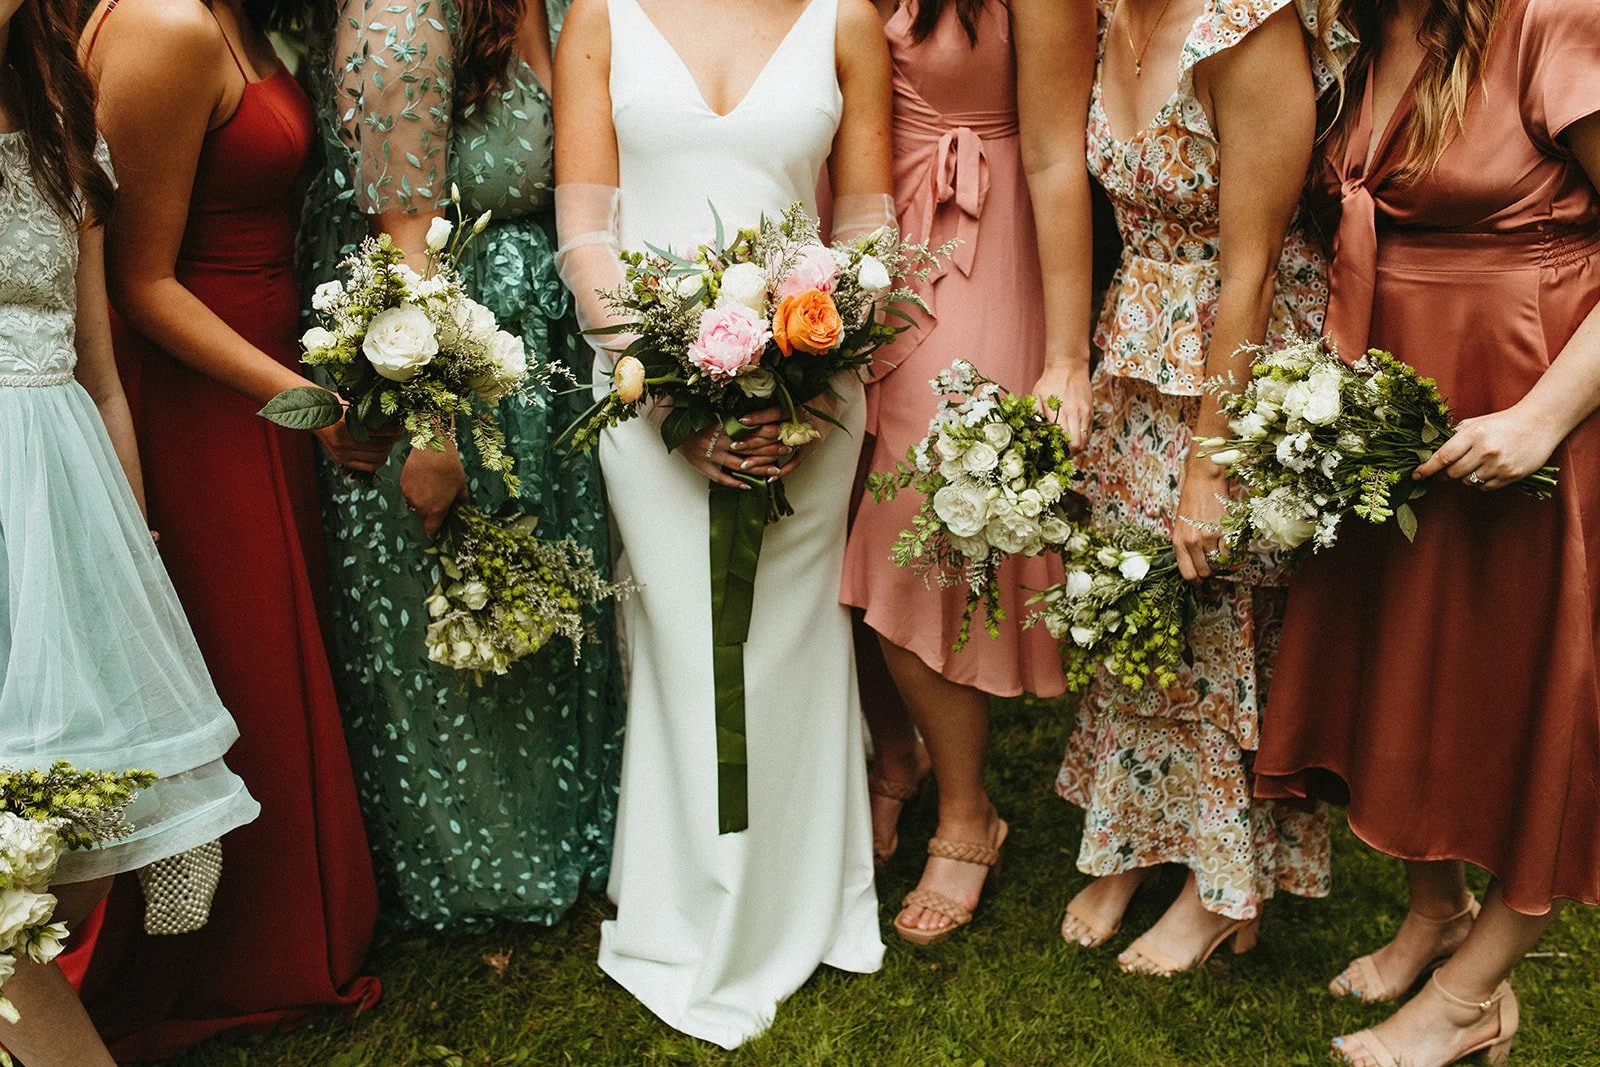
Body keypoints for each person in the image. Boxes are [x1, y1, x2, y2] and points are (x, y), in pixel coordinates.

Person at [1256, 0, 1600, 1062]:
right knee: (1414, 667)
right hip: (1405, 408)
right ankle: (1432, 910)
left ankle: (1472, 992)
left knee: (1531, 691)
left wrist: (1542, 415)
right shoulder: (1360, 24)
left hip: (1535, 395)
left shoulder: (1552, 18)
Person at [553, 0, 895, 1046]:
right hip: (643, 392)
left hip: (811, 394)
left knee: (785, 651)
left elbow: (866, 224)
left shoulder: (848, 18)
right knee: (691, 651)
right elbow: (586, 233)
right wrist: (669, 398)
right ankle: (688, 902)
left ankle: (798, 898)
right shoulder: (597, 18)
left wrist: (815, 374)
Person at [75, 0, 383, 1054]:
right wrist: (300, 397)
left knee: (266, 641)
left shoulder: (234, 13)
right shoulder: (164, 26)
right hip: (199, 391)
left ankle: (298, 916)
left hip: (255, 369)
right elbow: (137, 280)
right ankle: (229, 946)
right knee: (233, 654)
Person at [301, 0, 625, 929]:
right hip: (449, 354)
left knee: (546, 599)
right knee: (461, 608)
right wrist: (433, 432)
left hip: (547, 349)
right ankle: (482, 862)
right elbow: (403, 239)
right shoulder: (400, 12)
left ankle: (577, 832)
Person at [1052, 0, 1343, 976]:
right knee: (1129, 594)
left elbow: (1251, 267)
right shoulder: (1109, 15)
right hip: (1139, 332)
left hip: (1234, 351)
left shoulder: (1247, 29)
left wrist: (1212, 466)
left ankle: (1218, 885)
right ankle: (1132, 837)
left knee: (1213, 607)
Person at [0, 0, 259, 1062]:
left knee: (79, 836)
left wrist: (134, 550)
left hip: (65, 495)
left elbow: (100, 370)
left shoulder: (58, 108)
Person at [841, 0, 1094, 945]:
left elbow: (1056, 153)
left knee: (923, 515)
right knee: (839, 500)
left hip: (976, 240)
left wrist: (1066, 354)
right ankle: (891, 756)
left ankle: (966, 810)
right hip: (853, 237)